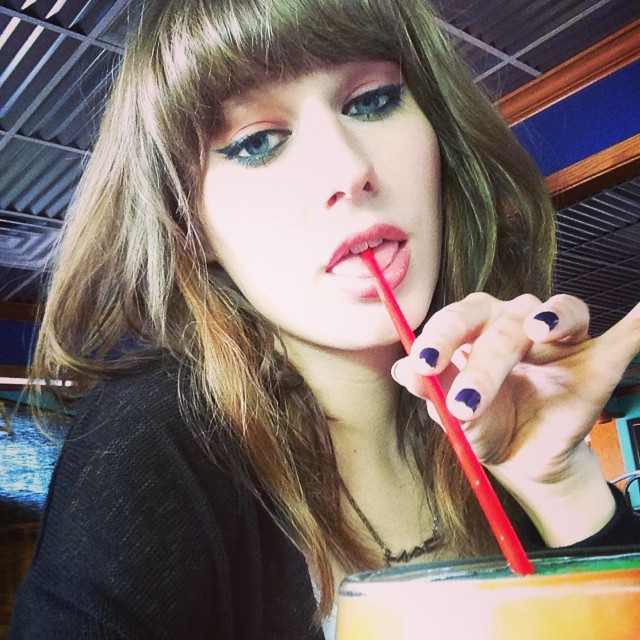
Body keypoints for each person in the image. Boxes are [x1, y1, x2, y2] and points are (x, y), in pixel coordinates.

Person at [9, 0, 640, 638]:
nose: (350, 169)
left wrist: (561, 485)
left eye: (372, 101)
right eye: (256, 143)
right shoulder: (153, 443)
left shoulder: (501, 406)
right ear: (187, 227)